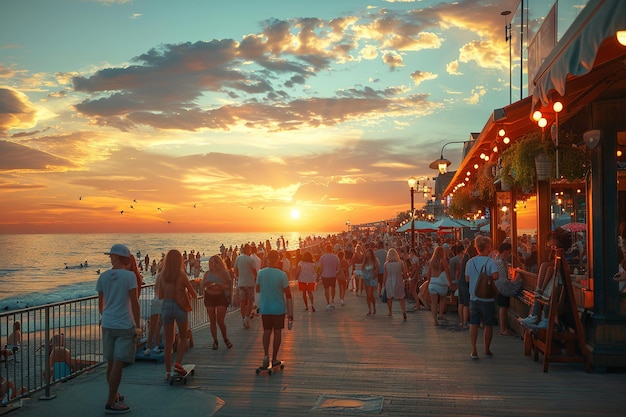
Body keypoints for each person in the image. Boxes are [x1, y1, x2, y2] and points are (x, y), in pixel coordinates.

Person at [96, 243, 142, 414]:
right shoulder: (129, 277)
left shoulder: (103, 277)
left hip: (107, 323)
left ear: (116, 257)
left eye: (111, 256)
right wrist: (137, 327)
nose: (110, 259)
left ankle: (114, 395)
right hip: (124, 324)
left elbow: (101, 304)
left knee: (111, 362)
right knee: (118, 362)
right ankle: (110, 402)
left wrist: (105, 315)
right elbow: (135, 303)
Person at [158, 249, 198, 381]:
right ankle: (178, 363)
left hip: (167, 307)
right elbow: (193, 293)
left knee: (168, 343)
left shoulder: (162, 275)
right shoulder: (181, 274)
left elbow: (160, 295)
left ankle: (167, 372)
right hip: (180, 307)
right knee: (182, 336)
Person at [519, 228, 572, 326]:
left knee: (546, 267)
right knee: (545, 267)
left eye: (553, 245)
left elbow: (557, 266)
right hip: (552, 286)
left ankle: (538, 294)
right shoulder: (556, 252)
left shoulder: (560, 253)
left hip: (556, 287)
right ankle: (538, 292)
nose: (551, 247)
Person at [255, 250, 293, 369]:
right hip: (278, 308)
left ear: (267, 259)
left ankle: (266, 355)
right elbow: (288, 295)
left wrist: (257, 306)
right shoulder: (282, 275)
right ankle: (274, 358)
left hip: (265, 307)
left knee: (266, 332)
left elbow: (257, 290)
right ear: (278, 259)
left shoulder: (260, 273)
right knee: (277, 332)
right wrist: (290, 314)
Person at [465, 236, 498, 360]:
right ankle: (486, 349)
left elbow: (467, 279)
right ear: (488, 247)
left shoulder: (470, 261)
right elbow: (495, 276)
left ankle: (474, 350)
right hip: (487, 298)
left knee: (473, 322)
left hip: (474, 296)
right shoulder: (490, 262)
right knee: (488, 324)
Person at [202, 255, 233, 350]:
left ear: (218, 263)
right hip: (209, 296)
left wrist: (220, 286)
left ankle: (225, 338)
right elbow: (203, 285)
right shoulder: (207, 273)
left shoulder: (224, 273)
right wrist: (209, 285)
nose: (211, 264)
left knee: (220, 320)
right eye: (209, 262)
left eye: (213, 262)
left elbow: (229, 285)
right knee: (212, 320)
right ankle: (215, 340)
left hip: (221, 296)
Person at [494, 242, 522, 336]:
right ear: (505, 252)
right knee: (503, 307)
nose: (510, 254)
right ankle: (503, 329)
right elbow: (503, 280)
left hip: (498, 288)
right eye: (509, 252)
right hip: (502, 289)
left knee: (503, 307)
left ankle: (503, 328)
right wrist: (516, 280)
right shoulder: (501, 263)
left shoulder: (498, 259)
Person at [426, 246, 453, 326]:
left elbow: (428, 273)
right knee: (442, 299)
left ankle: (435, 320)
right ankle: (440, 314)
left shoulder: (431, 261)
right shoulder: (443, 260)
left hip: (432, 283)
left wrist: (428, 281)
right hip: (441, 283)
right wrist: (449, 282)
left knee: (433, 303)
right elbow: (447, 272)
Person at [234, 244, 257, 328]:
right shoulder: (251, 260)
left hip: (241, 283)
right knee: (250, 301)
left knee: (242, 302)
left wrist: (238, 276)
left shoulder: (238, 258)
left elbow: (235, 269)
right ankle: (247, 318)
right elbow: (254, 271)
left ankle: (243, 318)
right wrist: (257, 279)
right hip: (250, 283)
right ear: (249, 250)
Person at [383, 248, 408, 320]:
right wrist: (406, 279)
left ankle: (390, 312)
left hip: (389, 281)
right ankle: (403, 311)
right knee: (401, 297)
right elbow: (404, 272)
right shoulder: (401, 263)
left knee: (389, 297)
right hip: (398, 281)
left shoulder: (386, 264)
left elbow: (385, 275)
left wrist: (383, 284)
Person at [319, 244, 344, 310]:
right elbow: (339, 267)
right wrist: (341, 274)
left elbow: (321, 268)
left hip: (325, 275)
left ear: (326, 249)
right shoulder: (335, 257)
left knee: (326, 289)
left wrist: (319, 274)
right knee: (333, 288)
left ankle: (328, 303)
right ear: (332, 249)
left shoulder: (322, 257)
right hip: (333, 275)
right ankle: (332, 301)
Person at [362, 248, 380, 315]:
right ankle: (369, 309)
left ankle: (374, 307)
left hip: (372, 278)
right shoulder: (365, 261)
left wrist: (374, 272)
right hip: (366, 278)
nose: (368, 254)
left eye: (369, 253)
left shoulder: (374, 260)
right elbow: (362, 268)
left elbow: (378, 268)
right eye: (367, 253)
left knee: (370, 294)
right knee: (368, 295)